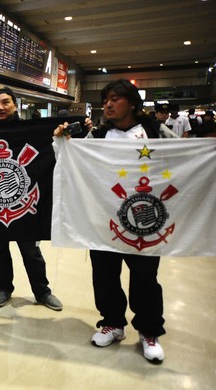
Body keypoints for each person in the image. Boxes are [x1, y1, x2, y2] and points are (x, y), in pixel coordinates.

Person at [54, 79, 165, 364]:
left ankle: (149, 331)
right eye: (106, 100)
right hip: (103, 221)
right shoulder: (99, 135)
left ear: (132, 103)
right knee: (104, 275)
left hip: (145, 222)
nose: (109, 104)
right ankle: (112, 322)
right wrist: (62, 143)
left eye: (115, 98)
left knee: (145, 279)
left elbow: (182, 160)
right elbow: (74, 163)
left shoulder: (155, 131)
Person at [0, 86, 63, 311]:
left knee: (31, 250)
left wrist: (81, 127)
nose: (0, 107)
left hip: (24, 203)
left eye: (5, 102)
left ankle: (42, 292)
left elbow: (55, 142)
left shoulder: (31, 130)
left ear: (15, 105)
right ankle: (4, 288)